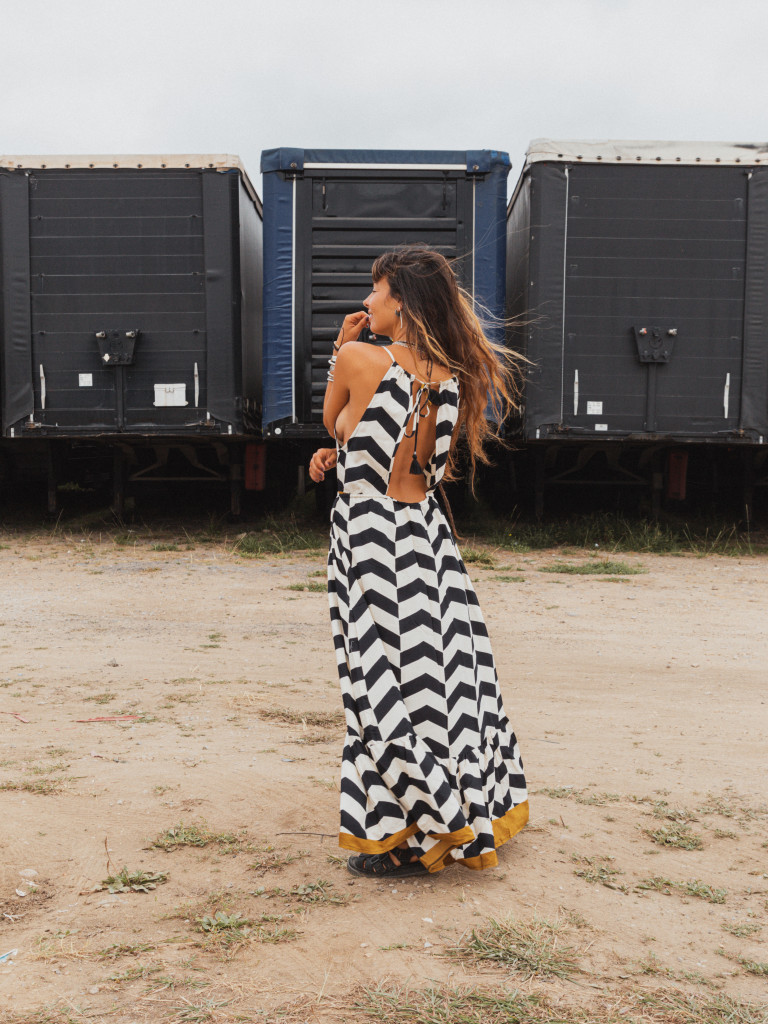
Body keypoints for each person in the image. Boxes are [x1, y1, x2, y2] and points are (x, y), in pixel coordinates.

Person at [309, 244, 528, 878]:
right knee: (441, 681)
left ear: (399, 297)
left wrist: (338, 350)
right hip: (426, 538)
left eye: (374, 291)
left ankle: (399, 834)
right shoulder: (449, 375)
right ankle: (460, 810)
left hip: (372, 534)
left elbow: (334, 420)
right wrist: (340, 456)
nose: (367, 302)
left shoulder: (356, 357)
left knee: (376, 681)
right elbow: (392, 451)